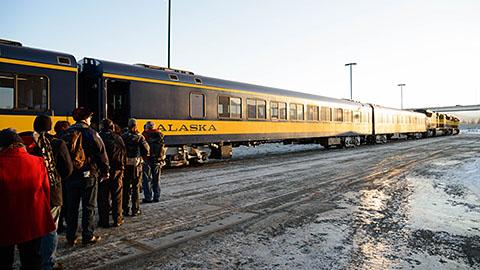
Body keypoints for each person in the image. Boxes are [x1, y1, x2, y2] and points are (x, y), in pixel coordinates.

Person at [20, 115, 73, 270]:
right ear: (50, 127)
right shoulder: (57, 143)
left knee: (33, 225)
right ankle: (48, 263)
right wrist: (57, 178)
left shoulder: (25, 142)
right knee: (50, 227)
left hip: (30, 191)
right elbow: (68, 169)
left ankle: (33, 260)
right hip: (52, 191)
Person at [0, 128, 55, 270]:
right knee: (32, 259)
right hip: (33, 220)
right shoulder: (38, 162)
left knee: (4, 260)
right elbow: (46, 191)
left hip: (5, 223)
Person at [62, 107, 109, 246]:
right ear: (86, 118)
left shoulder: (66, 133)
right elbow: (101, 152)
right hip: (88, 174)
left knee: (72, 206)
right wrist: (105, 171)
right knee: (88, 206)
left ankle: (71, 236)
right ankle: (87, 235)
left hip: (70, 176)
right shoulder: (90, 132)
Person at [98, 119, 126, 227]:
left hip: (102, 172)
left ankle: (103, 221)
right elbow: (123, 153)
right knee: (117, 196)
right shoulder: (118, 138)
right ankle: (117, 219)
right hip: (117, 171)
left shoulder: (97, 137)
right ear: (112, 127)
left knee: (103, 197)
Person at [121, 118, 149, 216]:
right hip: (136, 165)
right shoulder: (139, 137)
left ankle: (125, 209)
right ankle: (135, 209)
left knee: (125, 187)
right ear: (135, 126)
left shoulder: (123, 136)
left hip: (125, 165)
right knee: (136, 187)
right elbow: (146, 149)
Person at [142, 121, 166, 203]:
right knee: (156, 179)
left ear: (147, 127)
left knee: (147, 179)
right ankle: (157, 196)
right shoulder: (159, 135)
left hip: (147, 160)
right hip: (157, 160)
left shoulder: (144, 135)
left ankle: (148, 197)